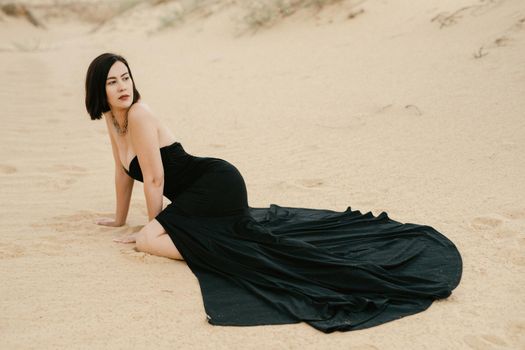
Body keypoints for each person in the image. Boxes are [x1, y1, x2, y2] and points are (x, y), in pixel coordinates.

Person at [85, 53, 462, 333]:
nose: (123, 87)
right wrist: (119, 219)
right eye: (113, 82)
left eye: (127, 78)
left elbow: (153, 180)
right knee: (155, 237)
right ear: (99, 90)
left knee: (148, 241)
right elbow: (123, 171)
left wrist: (153, 227)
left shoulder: (138, 113)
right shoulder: (113, 118)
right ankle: (208, 244)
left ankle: (218, 252)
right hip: (194, 195)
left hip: (214, 183)